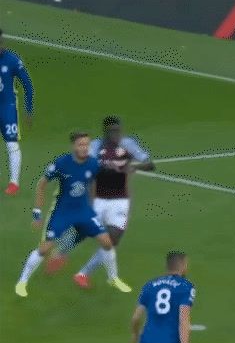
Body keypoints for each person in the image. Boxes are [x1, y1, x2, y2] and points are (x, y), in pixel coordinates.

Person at [14, 132, 128, 298]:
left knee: (106, 242)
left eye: (87, 145)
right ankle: (22, 282)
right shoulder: (62, 163)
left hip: (83, 212)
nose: (84, 148)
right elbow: (41, 185)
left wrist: (93, 206)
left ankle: (113, 278)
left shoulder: (93, 164)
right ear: (74, 146)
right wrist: (37, 213)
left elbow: (94, 183)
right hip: (62, 212)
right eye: (81, 145)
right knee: (45, 248)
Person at [46, 116, 155, 284]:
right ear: (105, 131)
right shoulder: (95, 146)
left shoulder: (128, 144)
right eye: (112, 131)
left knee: (113, 239)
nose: (115, 134)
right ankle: (59, 253)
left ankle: (83, 274)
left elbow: (150, 164)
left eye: (118, 130)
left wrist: (132, 166)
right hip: (99, 198)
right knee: (82, 231)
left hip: (120, 200)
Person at [0, 28, 34, 195]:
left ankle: (14, 182)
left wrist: (28, 109)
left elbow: (28, 85)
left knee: (11, 143)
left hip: (7, 108)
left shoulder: (12, 60)